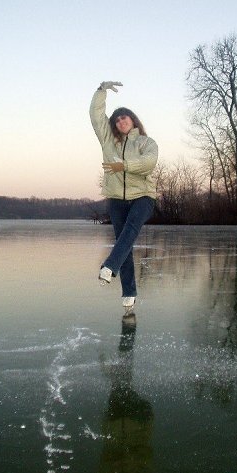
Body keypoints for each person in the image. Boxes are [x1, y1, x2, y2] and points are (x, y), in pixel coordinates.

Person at [90, 81, 158, 313]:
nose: (121, 121)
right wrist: (101, 91)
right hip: (117, 199)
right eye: (117, 119)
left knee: (130, 230)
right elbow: (96, 117)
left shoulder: (146, 142)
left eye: (125, 117)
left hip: (144, 197)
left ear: (133, 120)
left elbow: (149, 163)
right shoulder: (109, 141)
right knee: (124, 244)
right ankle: (129, 293)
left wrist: (125, 166)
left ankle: (109, 266)